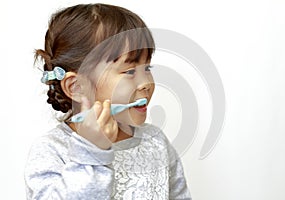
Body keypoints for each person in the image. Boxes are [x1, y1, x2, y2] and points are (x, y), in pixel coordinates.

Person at [25, 3, 191, 199]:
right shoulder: (52, 150)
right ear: (77, 87)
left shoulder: (156, 142)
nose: (146, 83)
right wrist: (90, 152)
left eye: (147, 68)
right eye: (129, 71)